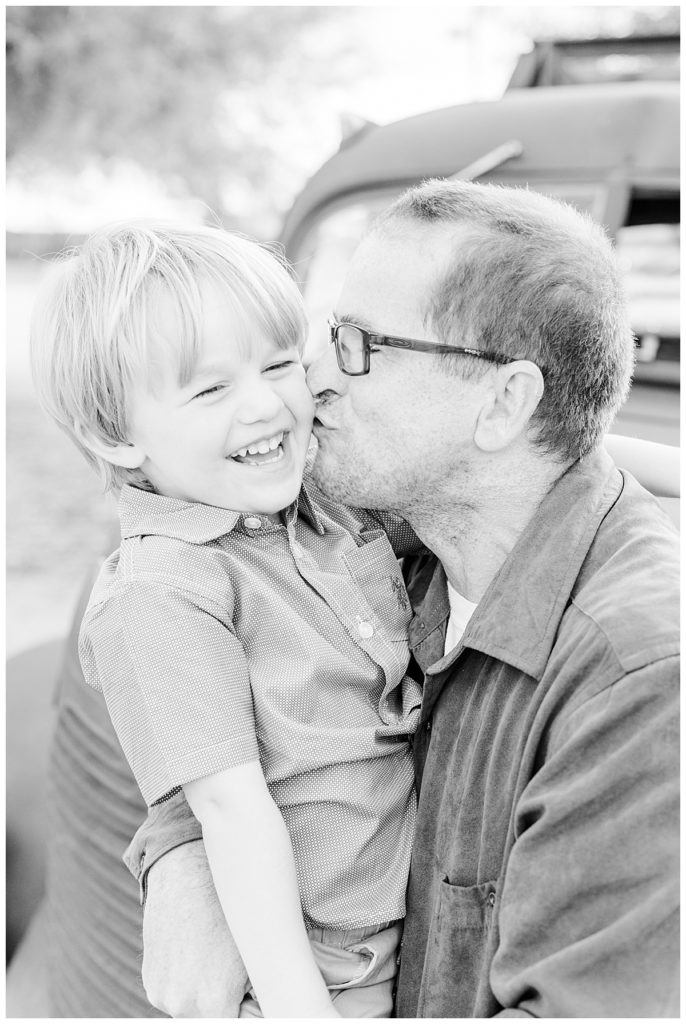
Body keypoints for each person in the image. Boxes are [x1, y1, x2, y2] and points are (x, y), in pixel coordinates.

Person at [129, 180, 679, 1018]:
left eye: (359, 344)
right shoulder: (370, 541)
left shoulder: (637, 680)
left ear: (503, 403)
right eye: (325, 331)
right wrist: (182, 851)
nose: (311, 379)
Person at [29, 222, 425, 1018]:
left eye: (280, 364)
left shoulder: (315, 506)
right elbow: (229, 811)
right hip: (327, 969)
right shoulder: (161, 594)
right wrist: (299, 1007)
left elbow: (483, 469)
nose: (266, 405)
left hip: (409, 921)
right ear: (116, 433)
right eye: (211, 390)